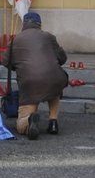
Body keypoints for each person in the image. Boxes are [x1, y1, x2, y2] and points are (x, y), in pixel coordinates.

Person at [4, 11, 69, 139]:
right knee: (54, 83)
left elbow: (6, 62)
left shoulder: (15, 40)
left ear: (24, 25)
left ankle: (29, 121)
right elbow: (62, 58)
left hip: (30, 85)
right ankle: (53, 121)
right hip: (55, 79)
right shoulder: (49, 37)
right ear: (39, 24)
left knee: (21, 126)